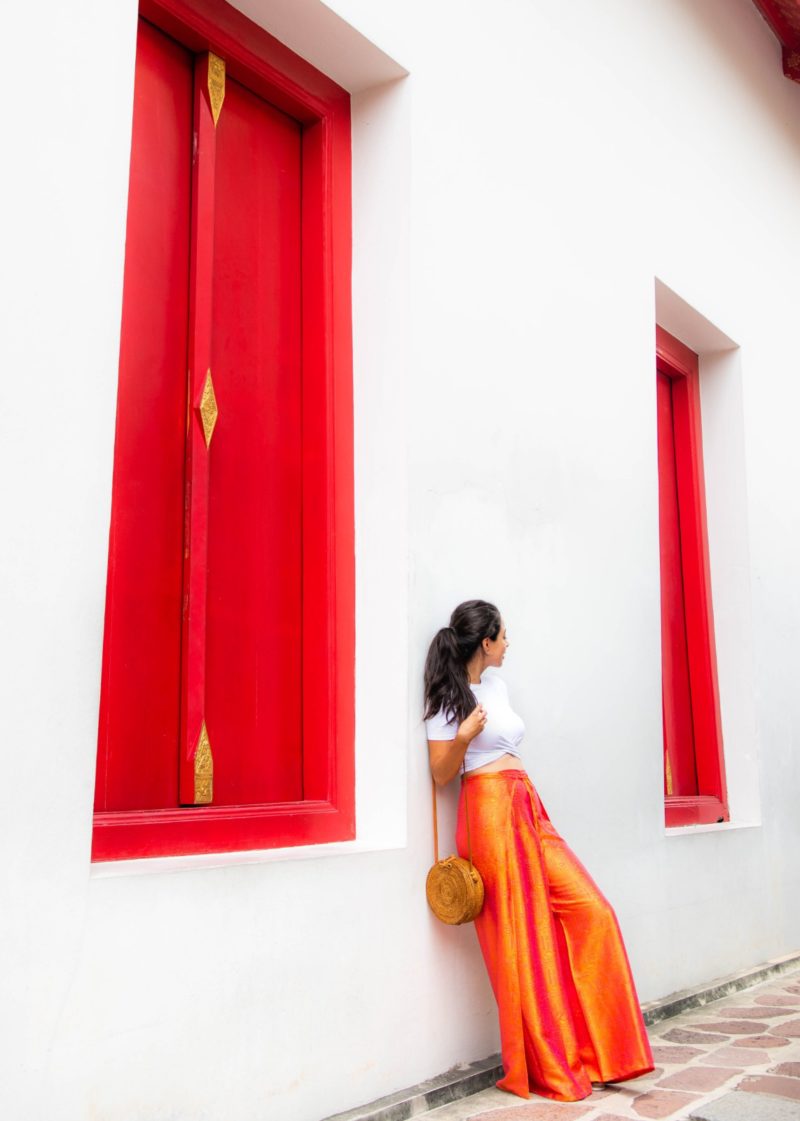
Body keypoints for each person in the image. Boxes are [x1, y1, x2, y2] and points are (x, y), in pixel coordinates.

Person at [424, 599, 654, 1102]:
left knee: (594, 912)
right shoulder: (447, 696)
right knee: (522, 940)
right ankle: (552, 1065)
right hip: (486, 812)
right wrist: (463, 736)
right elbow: (441, 773)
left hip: (526, 802)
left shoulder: (498, 685)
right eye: (504, 636)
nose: (509, 644)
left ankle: (605, 1053)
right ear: (485, 642)